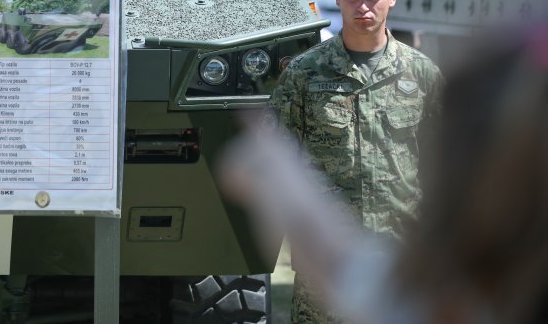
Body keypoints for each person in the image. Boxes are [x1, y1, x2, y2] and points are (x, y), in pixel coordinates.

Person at [218, 21, 548, 323]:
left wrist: (270, 168)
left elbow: (332, 258)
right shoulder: (307, 69)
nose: (364, 6)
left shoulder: (447, 305)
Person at [270, 0, 442, 322]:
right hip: (328, 260)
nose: (363, 7)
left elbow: (444, 168)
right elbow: (278, 162)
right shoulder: (304, 74)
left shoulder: (423, 75)